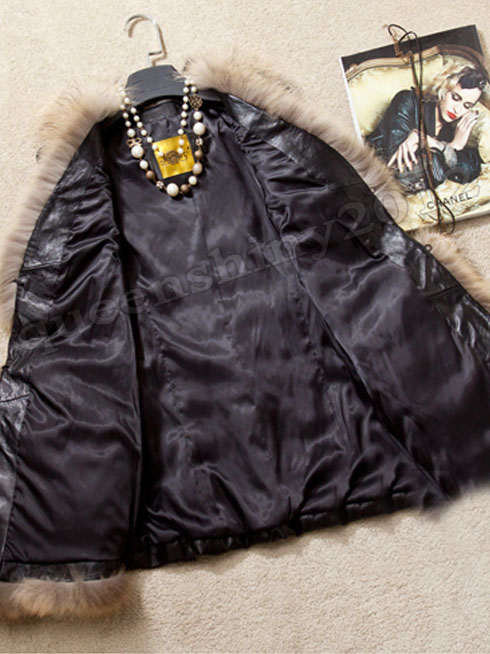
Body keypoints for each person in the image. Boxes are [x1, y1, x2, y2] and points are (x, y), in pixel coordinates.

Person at [365, 62, 489, 192]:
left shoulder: (453, 132)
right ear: (443, 88)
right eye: (455, 98)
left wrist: (444, 146)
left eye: (467, 106)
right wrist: (449, 152)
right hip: (364, 170)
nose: (457, 109)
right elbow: (400, 171)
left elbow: (469, 171)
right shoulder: (408, 101)